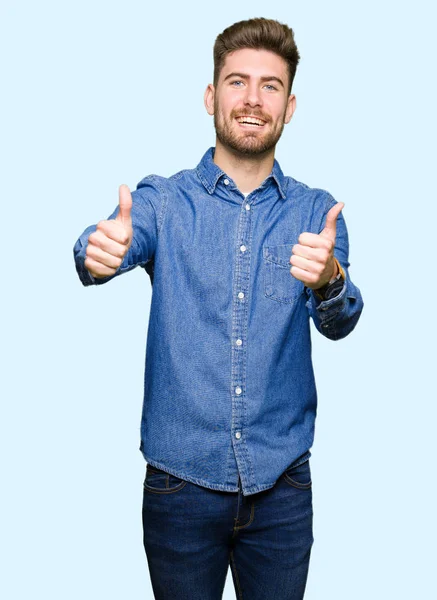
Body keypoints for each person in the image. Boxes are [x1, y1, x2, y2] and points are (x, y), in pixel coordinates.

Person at [73, 17, 363, 600]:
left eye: (270, 86)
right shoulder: (163, 200)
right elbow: (104, 244)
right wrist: (97, 253)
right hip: (179, 489)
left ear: (290, 105)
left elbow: (340, 323)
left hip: (281, 489)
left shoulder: (316, 213)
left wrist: (330, 279)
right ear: (211, 97)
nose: (252, 99)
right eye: (237, 82)